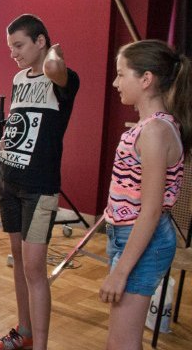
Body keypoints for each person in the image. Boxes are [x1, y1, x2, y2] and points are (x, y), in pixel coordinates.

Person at [0, 14, 80, 350]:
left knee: (34, 269)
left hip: (39, 187)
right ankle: (24, 332)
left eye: (19, 45)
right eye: (10, 46)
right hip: (9, 180)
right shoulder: (18, 78)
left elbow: (53, 67)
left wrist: (53, 50)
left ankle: (40, 345)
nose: (13, 53)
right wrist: (9, 138)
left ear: (40, 41)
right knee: (18, 260)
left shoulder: (63, 78)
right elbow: (24, 120)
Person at [100, 39, 190, 350]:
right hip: (127, 234)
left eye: (121, 74)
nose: (115, 83)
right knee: (120, 340)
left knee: (121, 343)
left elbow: (151, 210)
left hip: (143, 241)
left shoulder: (155, 131)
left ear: (146, 79)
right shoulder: (148, 127)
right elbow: (133, 189)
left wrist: (121, 272)